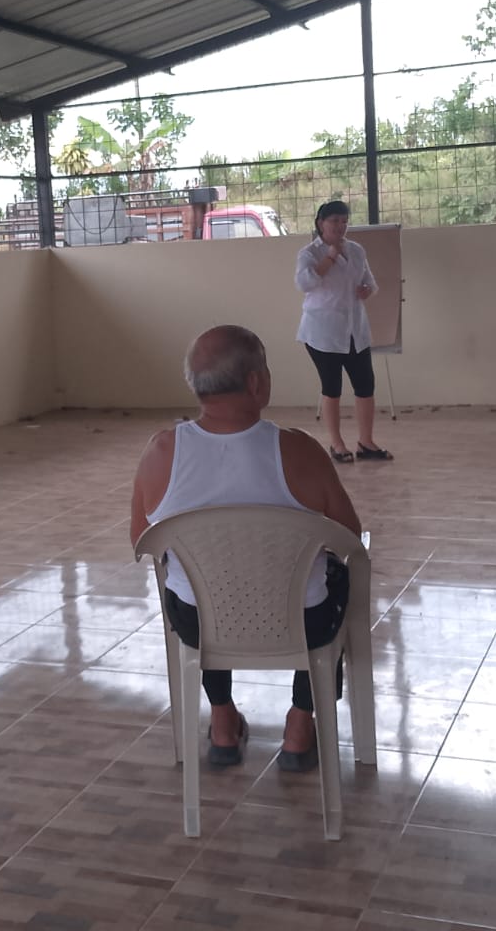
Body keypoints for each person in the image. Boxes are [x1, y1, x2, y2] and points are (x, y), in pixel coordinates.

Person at [130, 324, 363, 772]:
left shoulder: (160, 452)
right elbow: (349, 535)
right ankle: (299, 726)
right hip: (302, 624)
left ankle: (222, 722)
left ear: (195, 384)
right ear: (257, 382)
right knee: (339, 581)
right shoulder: (299, 451)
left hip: (199, 625)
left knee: (201, 594)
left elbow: (141, 542)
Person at [295, 199, 391, 464]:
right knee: (332, 388)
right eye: (335, 221)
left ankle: (366, 443)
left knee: (365, 386)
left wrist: (367, 290)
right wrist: (330, 257)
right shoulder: (309, 253)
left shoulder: (357, 250)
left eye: (344, 221)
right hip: (322, 332)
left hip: (355, 330)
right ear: (321, 223)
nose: (340, 226)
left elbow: (371, 282)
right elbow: (305, 283)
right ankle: (337, 444)